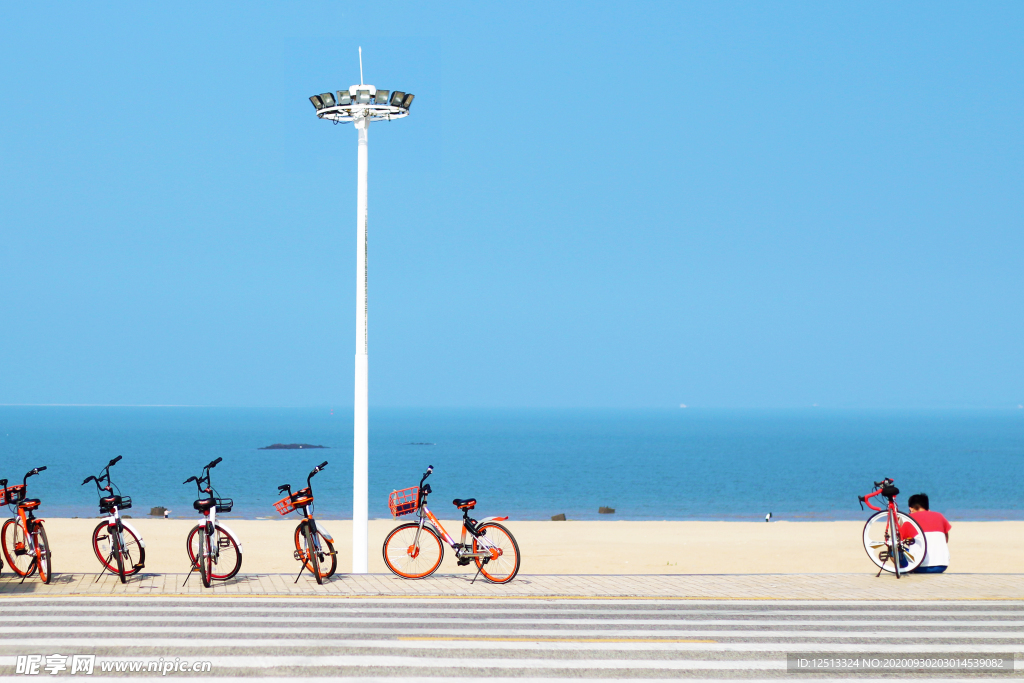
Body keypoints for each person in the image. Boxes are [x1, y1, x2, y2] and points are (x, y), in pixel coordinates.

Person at [906, 493, 951, 573]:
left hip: (919, 566)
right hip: (942, 565)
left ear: (911, 508)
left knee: (893, 552)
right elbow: (946, 539)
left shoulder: (909, 519)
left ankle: (907, 572)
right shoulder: (939, 516)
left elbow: (902, 542)